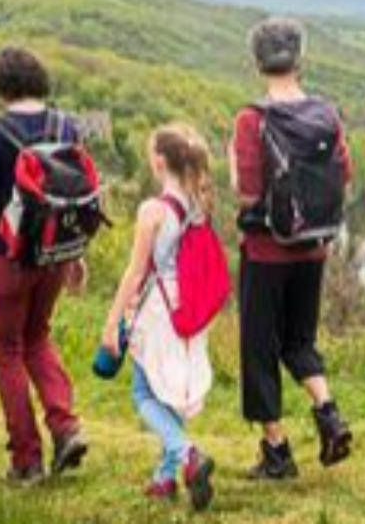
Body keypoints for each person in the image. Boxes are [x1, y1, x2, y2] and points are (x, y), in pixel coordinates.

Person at [0, 46, 89, 487]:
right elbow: (71, 197)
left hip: (8, 259)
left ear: (0, 86)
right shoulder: (66, 126)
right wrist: (77, 255)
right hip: (54, 256)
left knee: (5, 351)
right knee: (37, 338)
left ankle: (26, 461)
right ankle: (66, 428)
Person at [230, 17, 354, 480]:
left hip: (266, 252)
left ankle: (277, 451)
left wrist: (233, 168)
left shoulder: (252, 119)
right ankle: (328, 413)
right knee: (299, 341)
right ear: (300, 59)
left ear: (257, 61)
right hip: (314, 247)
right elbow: (344, 176)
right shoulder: (326, 114)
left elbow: (247, 194)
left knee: (259, 349)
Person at [101, 124, 217, 510]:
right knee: (167, 394)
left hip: (157, 312)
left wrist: (112, 322)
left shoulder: (152, 210)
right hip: (188, 311)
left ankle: (187, 454)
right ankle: (165, 478)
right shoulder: (197, 204)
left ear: (160, 161)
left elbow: (135, 273)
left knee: (143, 393)